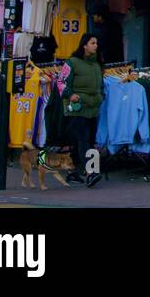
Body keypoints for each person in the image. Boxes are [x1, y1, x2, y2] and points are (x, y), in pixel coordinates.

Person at [63, 33, 105, 187]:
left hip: (93, 108)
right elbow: (61, 82)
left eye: (96, 43)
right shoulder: (72, 63)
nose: (96, 45)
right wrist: (70, 94)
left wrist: (101, 96)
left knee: (83, 141)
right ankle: (91, 172)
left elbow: (100, 86)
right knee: (84, 140)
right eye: (92, 43)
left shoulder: (97, 65)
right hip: (77, 108)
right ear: (84, 45)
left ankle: (72, 171)